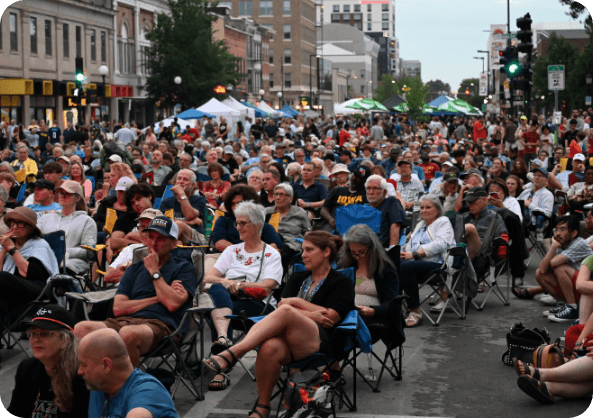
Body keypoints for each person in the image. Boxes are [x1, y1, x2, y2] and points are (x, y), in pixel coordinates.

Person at [202, 231, 354, 418]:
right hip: (289, 340)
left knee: (287, 311)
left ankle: (233, 353)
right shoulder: (297, 278)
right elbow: (283, 304)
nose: (303, 254)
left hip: (320, 342)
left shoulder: (342, 282)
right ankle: (263, 407)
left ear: (326, 252)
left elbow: (330, 317)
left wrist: (295, 303)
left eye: (309, 250)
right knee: (269, 346)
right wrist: (310, 312)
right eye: (302, 250)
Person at [74, 216, 197, 366]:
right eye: (151, 237)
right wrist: (158, 298)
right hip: (125, 322)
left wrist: (154, 271)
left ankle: (128, 385)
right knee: (81, 329)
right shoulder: (134, 269)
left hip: (163, 326)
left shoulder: (184, 268)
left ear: (173, 244)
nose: (153, 243)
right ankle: (95, 382)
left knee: (128, 334)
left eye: (161, 238)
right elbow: (118, 308)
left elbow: (171, 304)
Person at [204, 201, 283, 391]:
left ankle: (221, 368)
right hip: (230, 302)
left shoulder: (271, 254)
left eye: (243, 223)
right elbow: (208, 276)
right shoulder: (232, 251)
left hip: (258, 305)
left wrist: (237, 284)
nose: (238, 227)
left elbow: (267, 286)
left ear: (257, 225)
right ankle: (223, 338)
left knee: (220, 308)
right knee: (216, 289)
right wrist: (224, 282)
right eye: (237, 223)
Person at [8, 304, 89, 417]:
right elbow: (15, 410)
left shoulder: (81, 376)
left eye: (44, 334)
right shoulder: (27, 368)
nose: (36, 339)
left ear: (65, 340)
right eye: (33, 333)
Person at [77, 328, 178, 417]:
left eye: (84, 365)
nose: (79, 371)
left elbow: (140, 414)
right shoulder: (100, 387)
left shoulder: (147, 391)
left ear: (106, 365)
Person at [514, 216, 592, 322]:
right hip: (577, 287)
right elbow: (541, 270)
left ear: (574, 233)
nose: (558, 233)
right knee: (540, 275)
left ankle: (572, 308)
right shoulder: (561, 244)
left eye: (563, 229)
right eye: (556, 229)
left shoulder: (579, 243)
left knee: (560, 268)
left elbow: (554, 263)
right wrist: (554, 247)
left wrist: (553, 247)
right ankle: (563, 305)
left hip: (587, 288)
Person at [0, 207, 60, 331]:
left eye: (20, 223)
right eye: (13, 222)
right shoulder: (9, 243)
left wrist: (12, 250)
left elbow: (28, 273)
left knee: (3, 277)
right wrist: (4, 250)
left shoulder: (39, 245)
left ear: (31, 228)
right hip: (11, 292)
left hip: (36, 289)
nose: (15, 226)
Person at [400, 196, 456, 325]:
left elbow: (441, 244)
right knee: (394, 264)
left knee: (406, 267)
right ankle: (395, 307)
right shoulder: (420, 225)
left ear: (437, 210)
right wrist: (403, 254)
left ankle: (415, 311)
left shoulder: (443, 222)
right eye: (422, 207)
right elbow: (409, 247)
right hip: (417, 264)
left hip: (438, 265)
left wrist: (414, 254)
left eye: (428, 207)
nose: (424, 210)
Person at [338, 224, 399, 329]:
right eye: (353, 252)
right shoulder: (345, 264)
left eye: (361, 252)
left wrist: (374, 311)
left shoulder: (384, 268)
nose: (357, 256)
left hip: (373, 318)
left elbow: (392, 302)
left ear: (371, 248)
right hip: (343, 314)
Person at [38, 180, 96, 275]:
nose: (63, 196)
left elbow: (90, 251)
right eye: (61, 193)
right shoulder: (46, 218)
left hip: (72, 262)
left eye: (68, 194)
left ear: (77, 198)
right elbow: (35, 239)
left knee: (60, 267)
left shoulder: (87, 221)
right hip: (45, 258)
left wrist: (64, 252)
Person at [211, 184, 284, 254]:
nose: (236, 206)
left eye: (240, 203)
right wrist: (244, 254)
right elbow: (219, 244)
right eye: (233, 204)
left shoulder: (263, 225)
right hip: (223, 257)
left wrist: (254, 255)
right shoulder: (223, 221)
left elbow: (276, 246)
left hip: (255, 261)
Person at [159, 169, 207, 244]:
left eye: (185, 179)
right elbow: (165, 223)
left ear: (193, 185)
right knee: (178, 243)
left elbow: (189, 215)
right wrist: (190, 222)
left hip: (195, 236)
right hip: (173, 236)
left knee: (179, 225)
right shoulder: (166, 202)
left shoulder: (199, 200)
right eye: (179, 178)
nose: (181, 181)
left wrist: (181, 194)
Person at [265, 183, 311, 263]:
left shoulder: (299, 212)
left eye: (282, 194)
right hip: (270, 244)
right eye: (276, 194)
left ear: (291, 199)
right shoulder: (267, 212)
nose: (278, 197)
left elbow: (308, 232)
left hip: (291, 245)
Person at [365, 174, 406, 248]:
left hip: (382, 249)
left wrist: (392, 251)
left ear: (384, 192)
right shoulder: (365, 207)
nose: (371, 192)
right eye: (368, 188)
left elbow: (395, 226)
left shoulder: (391, 202)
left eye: (375, 188)